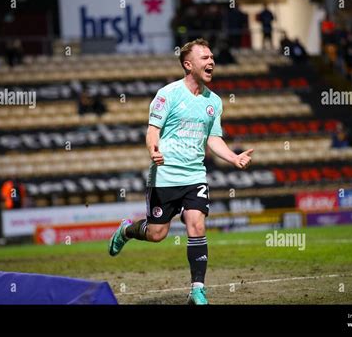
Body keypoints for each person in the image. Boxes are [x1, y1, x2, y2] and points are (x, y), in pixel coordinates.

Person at [108, 38, 254, 305]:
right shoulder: (168, 94)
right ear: (188, 64)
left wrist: (233, 158)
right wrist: (153, 149)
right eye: (205, 58)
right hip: (165, 176)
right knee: (157, 234)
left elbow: (212, 138)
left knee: (196, 224)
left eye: (212, 57)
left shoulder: (214, 102)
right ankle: (127, 230)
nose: (211, 62)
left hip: (195, 175)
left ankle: (197, 289)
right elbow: (153, 130)